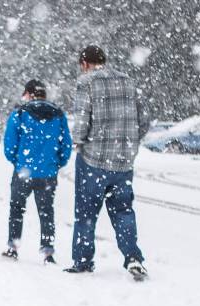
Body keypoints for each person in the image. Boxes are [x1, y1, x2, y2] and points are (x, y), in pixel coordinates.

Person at [66, 45, 150, 280]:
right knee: (123, 211)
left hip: (94, 160)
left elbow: (82, 120)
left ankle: (83, 261)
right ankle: (133, 257)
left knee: (85, 213)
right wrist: (129, 142)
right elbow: (144, 120)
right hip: (123, 163)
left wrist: (78, 141)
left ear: (84, 63)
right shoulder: (128, 81)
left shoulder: (87, 83)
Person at [2, 79, 73, 264]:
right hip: (48, 173)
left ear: (31, 94)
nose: (23, 97)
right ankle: (48, 253)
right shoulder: (58, 115)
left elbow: (9, 145)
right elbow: (66, 145)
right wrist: (56, 163)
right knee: (46, 212)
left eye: (25, 93)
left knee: (17, 209)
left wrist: (18, 162)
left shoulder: (19, 114)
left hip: (23, 172)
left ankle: (13, 247)